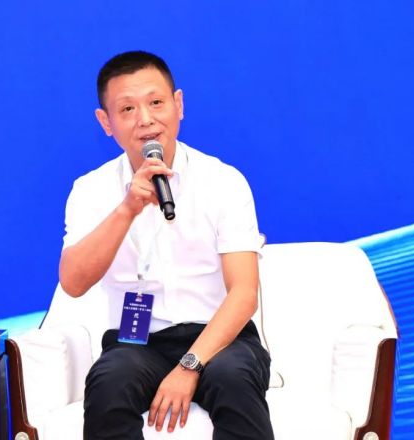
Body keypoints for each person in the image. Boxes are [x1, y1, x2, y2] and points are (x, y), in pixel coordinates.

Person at [59, 50, 274, 440]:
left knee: (233, 377)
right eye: (127, 109)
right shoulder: (90, 190)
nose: (145, 119)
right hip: (136, 342)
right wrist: (127, 208)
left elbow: (244, 294)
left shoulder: (224, 181)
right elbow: (73, 282)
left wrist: (189, 366)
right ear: (106, 122)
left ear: (178, 105)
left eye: (156, 103)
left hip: (221, 341)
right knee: (110, 381)